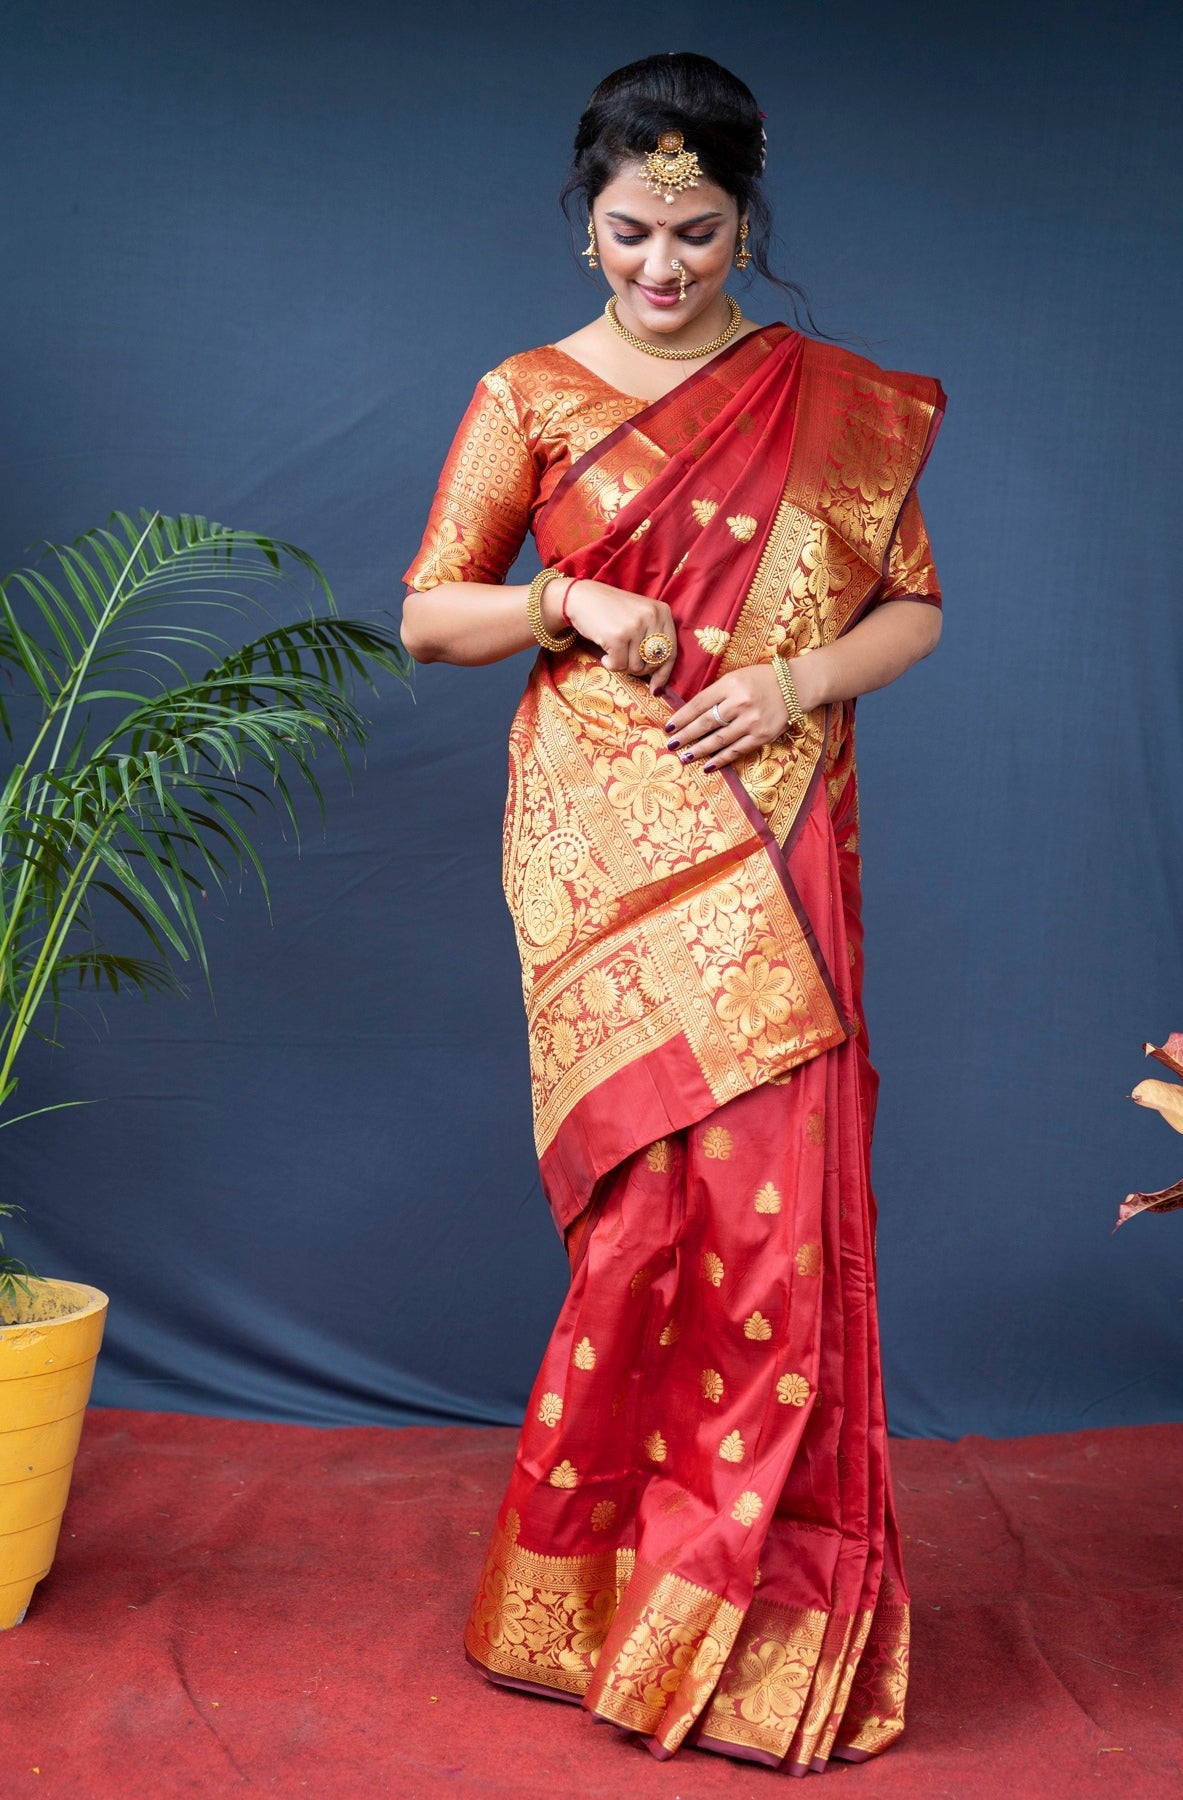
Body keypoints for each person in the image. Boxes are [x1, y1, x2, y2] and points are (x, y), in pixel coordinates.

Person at [400, 51, 944, 1777]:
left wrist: (790, 680)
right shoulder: (529, 396)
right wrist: (566, 597)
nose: (663, 266)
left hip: (772, 827)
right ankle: (578, 1598)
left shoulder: (826, 401)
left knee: (774, 1233)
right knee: (640, 1224)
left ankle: (749, 1620)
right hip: (600, 841)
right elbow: (428, 615)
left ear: (743, 220)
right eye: (632, 231)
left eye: (698, 233)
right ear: (586, 226)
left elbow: (914, 614)